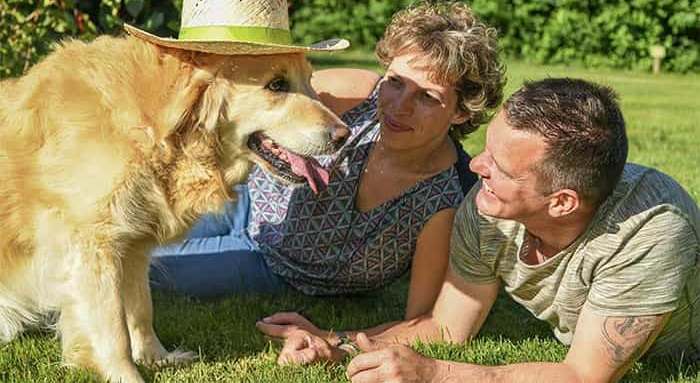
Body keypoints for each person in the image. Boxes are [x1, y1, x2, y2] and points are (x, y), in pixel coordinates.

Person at [258, 78, 700, 383]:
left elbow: (581, 375)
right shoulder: (488, 206)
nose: (475, 166)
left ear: (562, 202)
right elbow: (447, 327)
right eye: (487, 149)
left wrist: (434, 373)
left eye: (501, 167)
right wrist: (337, 345)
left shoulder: (651, 231)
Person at [149, 0, 506, 318]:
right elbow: (262, 105)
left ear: (461, 111)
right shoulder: (359, 93)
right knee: (126, 235)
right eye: (395, 82)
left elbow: (423, 319)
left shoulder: (443, 202)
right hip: (241, 197)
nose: (399, 106)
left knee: (146, 268)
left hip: (276, 266)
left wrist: (335, 341)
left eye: (427, 96)